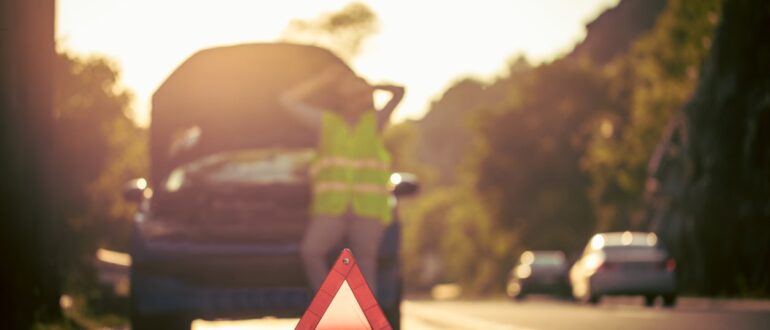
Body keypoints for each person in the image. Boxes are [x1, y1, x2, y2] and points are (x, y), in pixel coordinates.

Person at [279, 66, 404, 295]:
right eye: (351, 94)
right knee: (311, 251)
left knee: (365, 264)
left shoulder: (374, 122)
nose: (357, 99)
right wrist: (321, 81)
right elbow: (286, 101)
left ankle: (366, 320)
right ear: (341, 98)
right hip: (332, 209)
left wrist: (369, 86)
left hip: (367, 209)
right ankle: (331, 300)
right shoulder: (327, 123)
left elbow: (399, 92)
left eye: (361, 94)